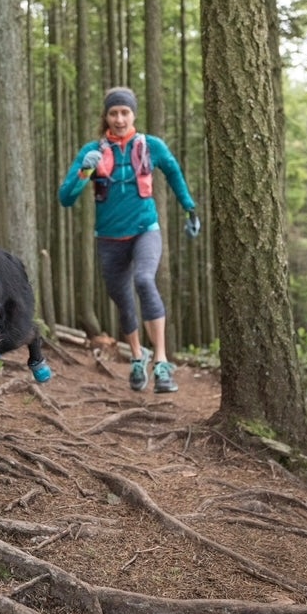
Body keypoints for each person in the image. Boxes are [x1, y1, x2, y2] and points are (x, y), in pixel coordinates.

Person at [59, 86, 200, 393]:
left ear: (133, 114)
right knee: (123, 301)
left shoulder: (151, 145)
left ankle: (161, 362)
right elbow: (66, 198)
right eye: (113, 113)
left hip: (145, 230)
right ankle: (138, 356)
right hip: (109, 238)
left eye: (124, 112)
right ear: (106, 116)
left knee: (145, 281)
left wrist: (189, 207)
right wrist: (85, 171)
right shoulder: (91, 151)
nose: (119, 119)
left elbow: (174, 173)